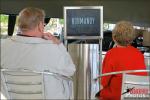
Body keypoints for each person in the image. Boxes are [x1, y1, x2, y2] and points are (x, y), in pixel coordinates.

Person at [1, 7, 75, 99]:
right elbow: (70, 70)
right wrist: (59, 44)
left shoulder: (3, 46)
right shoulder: (51, 48)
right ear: (40, 25)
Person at [96, 21, 147, 100]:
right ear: (132, 38)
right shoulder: (139, 54)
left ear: (114, 37)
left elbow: (103, 82)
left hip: (116, 96)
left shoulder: (111, 54)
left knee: (96, 93)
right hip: (137, 96)